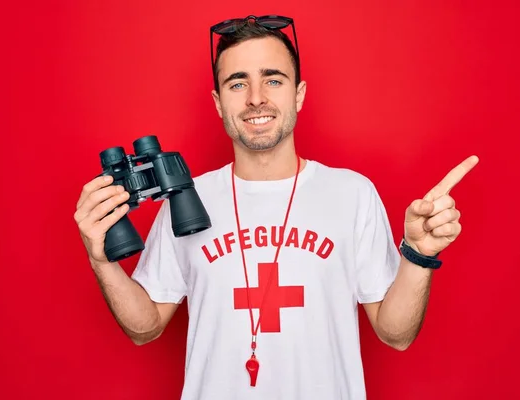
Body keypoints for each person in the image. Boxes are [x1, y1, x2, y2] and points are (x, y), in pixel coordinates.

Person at [73, 14, 479, 400]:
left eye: (273, 79)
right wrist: (102, 260)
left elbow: (396, 334)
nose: (256, 99)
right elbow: (145, 328)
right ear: (217, 102)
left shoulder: (351, 193)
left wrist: (419, 256)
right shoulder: (187, 198)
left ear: (298, 94)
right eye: (237, 84)